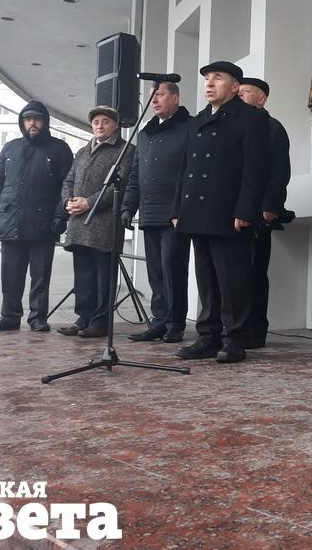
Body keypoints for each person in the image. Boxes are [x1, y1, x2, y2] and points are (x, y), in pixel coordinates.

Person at [171, 61, 270, 364]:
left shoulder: (251, 118)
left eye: (218, 78)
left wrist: (246, 210)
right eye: (206, 79)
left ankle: (235, 339)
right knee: (206, 279)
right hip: (196, 211)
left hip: (228, 212)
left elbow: (256, 169)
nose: (209, 83)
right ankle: (207, 336)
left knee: (231, 280)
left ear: (236, 86)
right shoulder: (198, 120)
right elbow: (185, 168)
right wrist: (177, 208)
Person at [0, 101, 73, 332]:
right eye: (28, 119)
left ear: (45, 122)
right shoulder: (10, 148)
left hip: (44, 223)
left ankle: (37, 318)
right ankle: (9, 317)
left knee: (40, 276)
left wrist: (60, 217)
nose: (32, 123)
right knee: (10, 275)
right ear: (22, 122)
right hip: (10, 221)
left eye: (37, 119)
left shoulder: (59, 149)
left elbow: (67, 187)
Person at [120, 81, 192, 344]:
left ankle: (175, 324)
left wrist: (182, 208)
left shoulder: (190, 127)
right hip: (150, 212)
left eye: (160, 95)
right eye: (152, 96)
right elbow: (136, 174)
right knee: (155, 271)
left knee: (173, 269)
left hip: (175, 214)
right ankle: (159, 321)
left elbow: (191, 172)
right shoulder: (145, 133)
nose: (154, 100)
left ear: (176, 98)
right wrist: (128, 206)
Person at [56, 106, 135, 338]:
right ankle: (84, 318)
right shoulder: (82, 152)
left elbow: (121, 185)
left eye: (105, 122)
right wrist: (68, 202)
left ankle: (100, 322)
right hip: (79, 223)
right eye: (96, 122)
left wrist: (89, 203)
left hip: (104, 224)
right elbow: (68, 181)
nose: (100, 126)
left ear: (116, 125)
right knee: (83, 275)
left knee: (104, 277)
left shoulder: (125, 151)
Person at [237, 76, 291, 350]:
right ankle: (234, 328)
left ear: (262, 98)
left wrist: (270, 206)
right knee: (233, 275)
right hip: (233, 213)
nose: (240, 96)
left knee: (254, 274)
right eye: (238, 92)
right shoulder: (233, 126)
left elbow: (280, 171)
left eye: (246, 92)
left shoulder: (273, 128)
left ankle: (255, 331)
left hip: (259, 214)